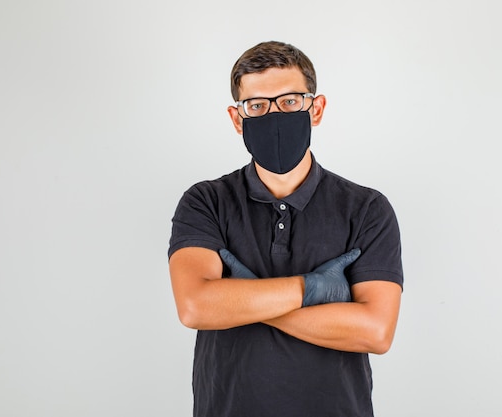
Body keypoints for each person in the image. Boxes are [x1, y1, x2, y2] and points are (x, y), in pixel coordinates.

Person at [168, 40, 403, 417]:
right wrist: (311, 289)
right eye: (257, 105)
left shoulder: (367, 208)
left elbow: (374, 331)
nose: (274, 115)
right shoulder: (206, 201)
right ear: (236, 118)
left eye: (290, 101)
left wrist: (241, 300)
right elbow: (195, 307)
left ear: (316, 108)